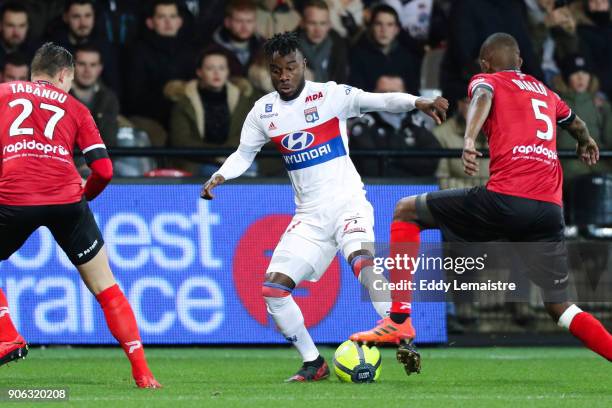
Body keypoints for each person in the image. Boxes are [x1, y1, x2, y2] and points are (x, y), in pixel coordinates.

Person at [351, 32, 612, 375]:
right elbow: (574, 123)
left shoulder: (486, 80)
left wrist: (470, 138)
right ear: (520, 62)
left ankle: (399, 319)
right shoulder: (545, 91)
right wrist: (587, 141)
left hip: (505, 199)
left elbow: (483, 97)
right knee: (560, 306)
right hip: (548, 210)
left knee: (406, 211)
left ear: (485, 63)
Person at [201, 31, 448, 382]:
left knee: (363, 264)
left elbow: (379, 100)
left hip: (348, 205)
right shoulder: (264, 111)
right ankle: (313, 363)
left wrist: (417, 102)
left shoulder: (329, 96)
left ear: (303, 65)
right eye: (276, 70)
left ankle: (404, 338)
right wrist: (220, 176)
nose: (284, 76)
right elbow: (244, 153)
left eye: (290, 67)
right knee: (273, 290)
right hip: (310, 218)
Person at [0, 43, 161, 388]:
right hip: (68, 202)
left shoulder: (4, 93)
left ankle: (8, 334)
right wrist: (81, 199)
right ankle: (143, 372)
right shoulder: (76, 108)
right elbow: (103, 169)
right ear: (63, 75)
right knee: (106, 286)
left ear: (34, 72)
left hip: (14, 197)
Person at [169, 50, 254, 175]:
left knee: (250, 171)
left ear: (228, 72)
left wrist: (227, 155)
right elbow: (181, 140)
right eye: (210, 68)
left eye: (221, 68)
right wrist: (215, 156)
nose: (216, 73)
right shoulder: (184, 102)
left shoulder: (242, 100)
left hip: (235, 159)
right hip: (199, 161)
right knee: (213, 173)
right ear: (199, 72)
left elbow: (249, 133)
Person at [349, 75, 441, 176]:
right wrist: (406, 162)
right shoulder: (363, 126)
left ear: (405, 95)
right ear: (373, 94)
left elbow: (431, 163)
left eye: (394, 93)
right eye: (383, 93)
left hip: (416, 187)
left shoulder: (418, 124)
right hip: (376, 189)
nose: (389, 98)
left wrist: (390, 160)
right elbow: (369, 168)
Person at [124, 0, 195, 128]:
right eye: (162, 17)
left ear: (179, 22)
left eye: (172, 16)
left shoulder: (191, 51)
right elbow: (134, 98)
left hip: (187, 117)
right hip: (150, 119)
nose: (168, 22)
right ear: (150, 23)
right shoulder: (138, 52)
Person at [48, 0, 119, 93]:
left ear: (94, 17)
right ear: (65, 17)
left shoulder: (106, 48)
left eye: (88, 16)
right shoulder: (53, 49)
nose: (83, 23)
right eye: (76, 17)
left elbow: (114, 87)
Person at [348, 4, 421, 93]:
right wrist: (378, 92)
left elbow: (415, 94)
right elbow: (353, 96)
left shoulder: (407, 57)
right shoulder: (357, 55)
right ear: (371, 27)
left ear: (397, 29)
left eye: (389, 25)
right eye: (379, 24)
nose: (384, 30)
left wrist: (403, 93)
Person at [70, 44, 119, 147]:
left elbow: (109, 141)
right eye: (82, 64)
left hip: (99, 160)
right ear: (72, 66)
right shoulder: (58, 96)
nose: (87, 70)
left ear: (100, 68)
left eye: (93, 65)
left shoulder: (109, 98)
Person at [297, 0, 348, 83]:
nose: (318, 30)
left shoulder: (339, 46)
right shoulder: (289, 48)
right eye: (312, 23)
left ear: (329, 25)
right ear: (302, 23)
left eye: (323, 23)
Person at [211, 0, 263, 78]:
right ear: (227, 22)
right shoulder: (212, 48)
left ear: (255, 23)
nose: (244, 27)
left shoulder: (264, 46)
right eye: (239, 21)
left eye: (249, 21)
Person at [0, 2, 36, 67]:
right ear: (1, 26)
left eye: (21, 26)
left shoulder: (37, 53)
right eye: (10, 25)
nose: (16, 33)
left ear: (28, 26)